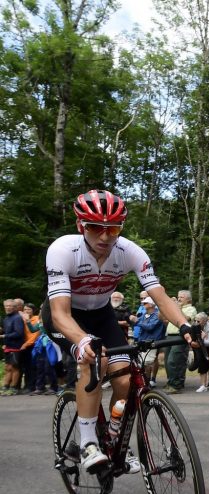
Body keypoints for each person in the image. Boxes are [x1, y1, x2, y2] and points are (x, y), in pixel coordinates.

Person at [43, 189, 195, 471]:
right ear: (80, 226)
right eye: (95, 228)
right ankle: (88, 444)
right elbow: (59, 313)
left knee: (124, 379)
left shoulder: (129, 252)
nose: (104, 237)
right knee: (95, 360)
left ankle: (112, 438)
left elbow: (160, 296)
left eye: (112, 228)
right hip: (66, 316)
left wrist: (185, 325)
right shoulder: (63, 250)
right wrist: (83, 340)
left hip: (101, 314)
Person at [162, 289, 197, 393]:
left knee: (175, 360)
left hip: (180, 336)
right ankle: (171, 382)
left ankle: (177, 385)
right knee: (167, 361)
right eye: (178, 296)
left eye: (182, 297)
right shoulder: (175, 308)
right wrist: (163, 305)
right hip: (169, 336)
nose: (179, 298)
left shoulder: (191, 309)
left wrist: (176, 307)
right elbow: (162, 319)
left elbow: (186, 318)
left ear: (188, 299)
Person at [2, 298, 25, 395]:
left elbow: (19, 333)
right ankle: (5, 386)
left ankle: (14, 387)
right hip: (8, 345)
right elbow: (5, 331)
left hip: (16, 346)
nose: (8, 308)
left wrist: (4, 336)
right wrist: (4, 340)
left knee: (15, 367)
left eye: (10, 306)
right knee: (7, 367)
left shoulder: (17, 318)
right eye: (6, 306)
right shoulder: (6, 318)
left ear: (15, 308)